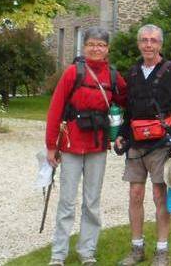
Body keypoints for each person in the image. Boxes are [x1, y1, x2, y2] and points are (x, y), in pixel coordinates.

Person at [115, 24, 171, 266]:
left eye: (153, 40)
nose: (148, 45)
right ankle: (137, 249)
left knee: (159, 195)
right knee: (135, 194)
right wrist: (122, 133)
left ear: (160, 44)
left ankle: (162, 251)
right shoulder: (132, 73)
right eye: (144, 40)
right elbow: (129, 111)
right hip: (135, 145)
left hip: (162, 144)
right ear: (139, 44)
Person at [44, 27, 126, 266]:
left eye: (101, 45)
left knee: (92, 201)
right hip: (70, 145)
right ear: (84, 46)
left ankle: (87, 252)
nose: (96, 48)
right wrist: (51, 146)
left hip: (97, 146)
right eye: (91, 44)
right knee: (67, 201)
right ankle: (58, 254)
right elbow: (55, 108)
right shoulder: (73, 72)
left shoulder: (112, 76)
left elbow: (126, 99)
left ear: (107, 49)